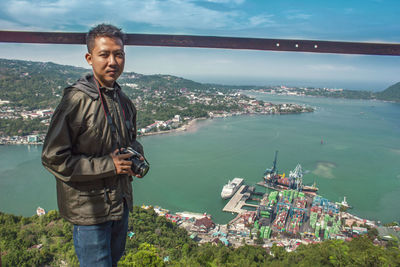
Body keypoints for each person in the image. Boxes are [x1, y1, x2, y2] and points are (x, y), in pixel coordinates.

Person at [42, 24, 145, 266]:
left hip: (120, 205)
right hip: (91, 213)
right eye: (104, 54)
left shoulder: (124, 101)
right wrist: (109, 164)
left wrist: (136, 157)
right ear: (89, 58)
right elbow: (53, 158)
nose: (113, 61)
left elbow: (131, 141)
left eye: (118, 54)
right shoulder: (75, 100)